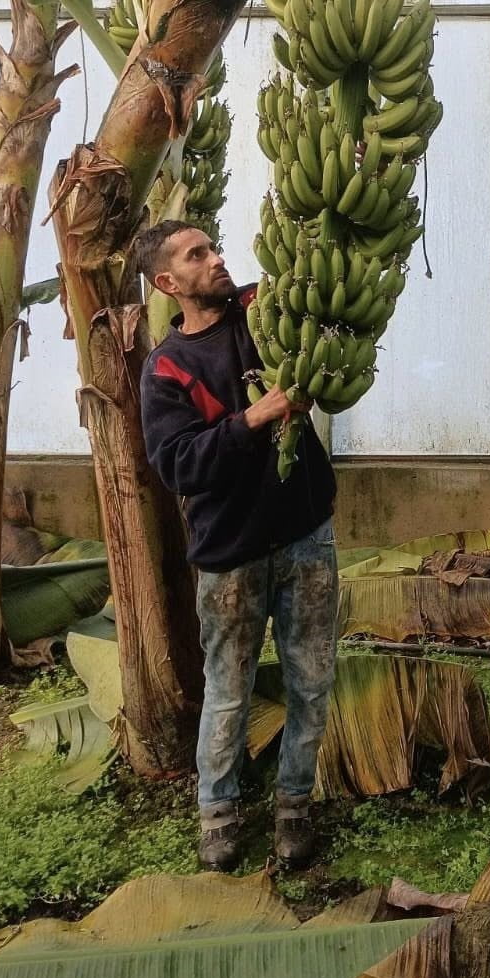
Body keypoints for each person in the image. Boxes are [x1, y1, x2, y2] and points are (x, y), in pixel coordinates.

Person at [136, 218, 339, 872]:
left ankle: (293, 808)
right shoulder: (166, 369)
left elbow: (319, 289)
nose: (216, 259)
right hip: (231, 558)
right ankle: (218, 812)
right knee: (229, 691)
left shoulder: (264, 311)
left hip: (306, 534)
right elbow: (178, 465)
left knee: (312, 681)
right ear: (169, 282)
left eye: (213, 247)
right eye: (198, 256)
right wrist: (254, 418)